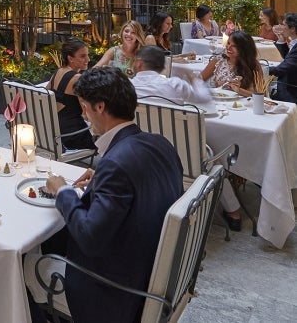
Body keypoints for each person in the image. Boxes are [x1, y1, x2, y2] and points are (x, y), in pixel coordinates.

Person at [25, 67, 183, 323]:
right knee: (53, 239)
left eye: (84, 108)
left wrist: (63, 190)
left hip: (113, 292)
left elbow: (90, 238)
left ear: (99, 107)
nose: (83, 115)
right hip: (147, 266)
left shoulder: (116, 163)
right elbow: (145, 186)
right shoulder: (160, 143)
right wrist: (102, 178)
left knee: (24, 264)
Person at [132, 46, 243, 230]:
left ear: (139, 64)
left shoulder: (127, 87)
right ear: (162, 67)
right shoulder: (174, 85)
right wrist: (194, 79)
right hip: (179, 159)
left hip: (140, 155)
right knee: (211, 157)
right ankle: (233, 212)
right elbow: (204, 100)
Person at [45, 38, 96, 151]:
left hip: (56, 132)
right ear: (70, 58)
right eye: (82, 56)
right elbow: (87, 112)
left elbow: (45, 94)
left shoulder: (58, 72)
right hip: (74, 136)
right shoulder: (77, 78)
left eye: (87, 55)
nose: (88, 59)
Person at [200, 30, 263, 97]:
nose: (228, 47)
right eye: (228, 43)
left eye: (234, 46)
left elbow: (261, 95)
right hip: (218, 101)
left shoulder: (254, 65)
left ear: (244, 49)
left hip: (243, 102)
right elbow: (198, 81)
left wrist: (239, 90)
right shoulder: (218, 61)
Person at [269, 13, 297, 104]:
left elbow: (282, 69)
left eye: (284, 25)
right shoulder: (294, 41)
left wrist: (261, 69)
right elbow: (289, 59)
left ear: (292, 29)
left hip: (291, 91)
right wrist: (281, 41)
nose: (281, 27)